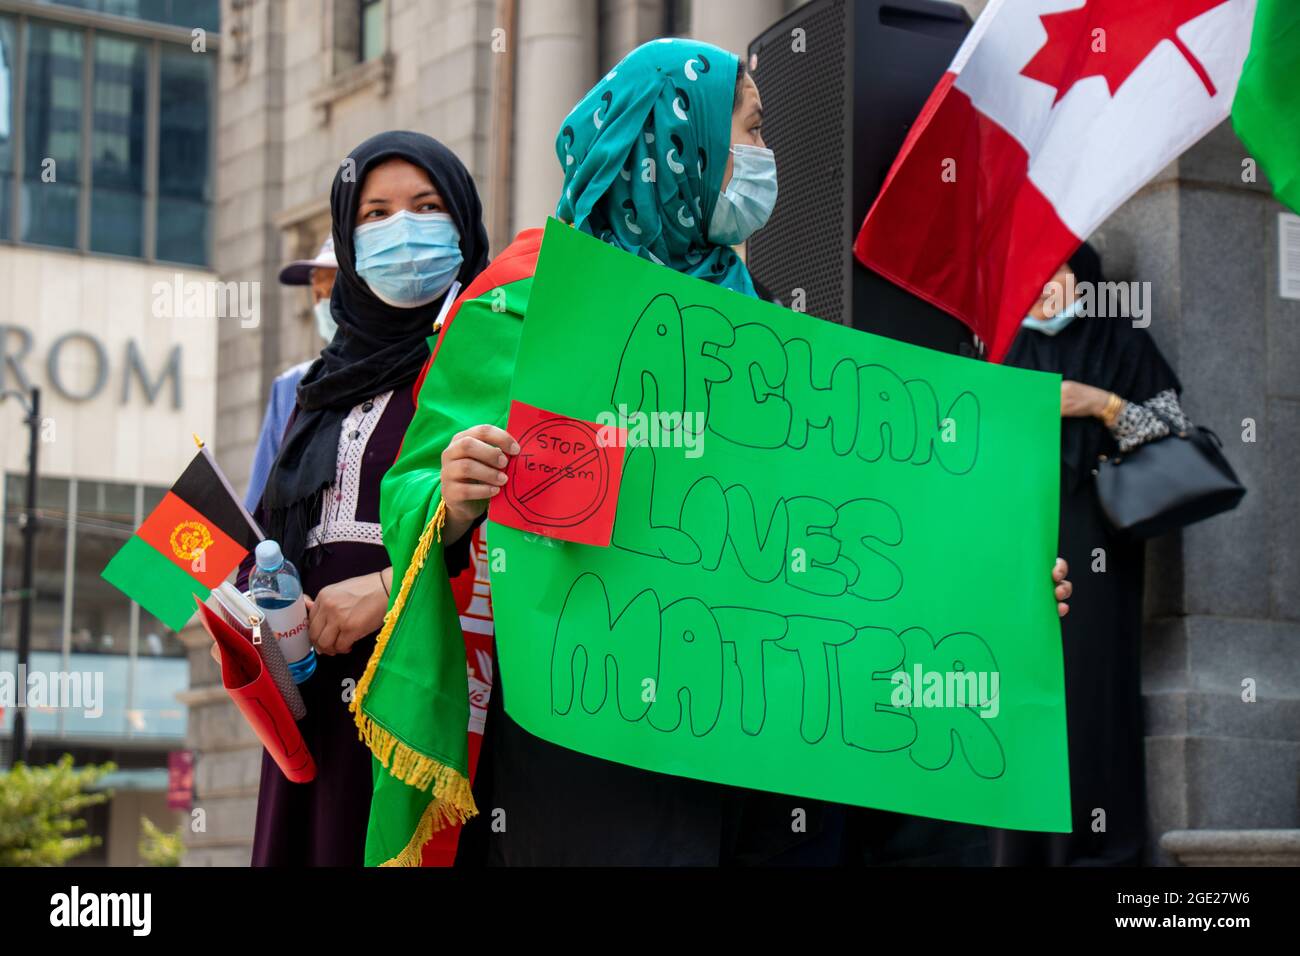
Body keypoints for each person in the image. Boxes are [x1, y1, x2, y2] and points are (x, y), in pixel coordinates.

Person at [361, 39, 1072, 866]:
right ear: (676, 138)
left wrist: (993, 592)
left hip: (767, 769)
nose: (766, 156)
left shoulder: (781, 336)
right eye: (751, 129)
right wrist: (451, 500)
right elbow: (411, 493)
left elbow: (856, 534)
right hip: (591, 758)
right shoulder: (522, 306)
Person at [235, 130, 489, 867]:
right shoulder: (315, 388)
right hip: (307, 700)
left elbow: (523, 538)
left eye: (426, 205)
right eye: (373, 215)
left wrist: (387, 591)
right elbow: (270, 533)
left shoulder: (484, 362)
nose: (399, 229)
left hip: (422, 700)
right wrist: (246, 613)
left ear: (464, 222)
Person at [994, 243, 1188, 866]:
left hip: (1094, 546)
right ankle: (1020, 856)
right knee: (1018, 700)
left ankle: (1100, 856)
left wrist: (1096, 403)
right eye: (1036, 271)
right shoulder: (1000, 347)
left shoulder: (1117, 341)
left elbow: (1175, 437)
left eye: (1061, 270)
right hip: (1014, 550)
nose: (1049, 285)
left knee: (1089, 698)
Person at [244, 237, 340, 511]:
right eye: (317, 293)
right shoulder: (291, 385)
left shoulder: (411, 372)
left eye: (334, 289)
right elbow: (258, 502)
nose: (324, 303)